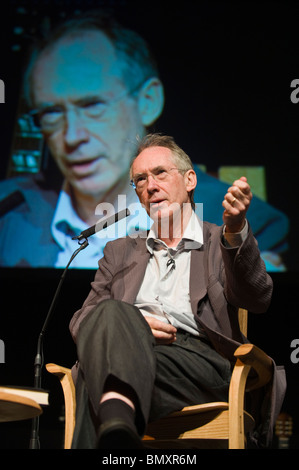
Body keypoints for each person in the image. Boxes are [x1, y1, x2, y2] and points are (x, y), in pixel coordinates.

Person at [0, 11, 289, 269]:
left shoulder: (239, 222)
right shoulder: (7, 211)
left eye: (93, 106)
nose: (72, 136)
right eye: (52, 113)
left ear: (148, 101)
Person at [69, 133, 286, 449]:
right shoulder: (119, 252)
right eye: (140, 180)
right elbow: (82, 320)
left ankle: (116, 424)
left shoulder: (216, 242)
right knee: (111, 317)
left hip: (198, 364)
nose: (150, 186)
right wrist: (134, 326)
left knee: (94, 376)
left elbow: (258, 297)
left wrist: (237, 230)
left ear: (189, 180)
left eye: (160, 173)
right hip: (132, 355)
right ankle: (119, 425)